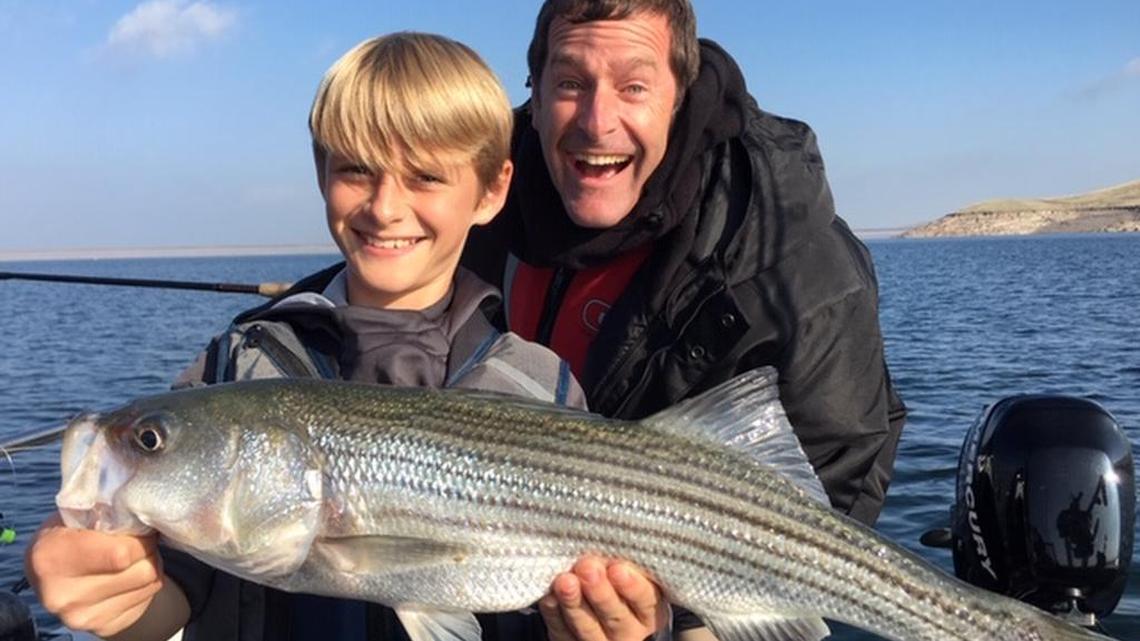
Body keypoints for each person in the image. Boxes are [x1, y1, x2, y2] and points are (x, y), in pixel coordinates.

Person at [25, 32, 646, 641]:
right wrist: (110, 598)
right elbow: (171, 599)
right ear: (321, 172)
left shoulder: (541, 384)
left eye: (427, 177)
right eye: (356, 169)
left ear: (491, 190)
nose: (385, 207)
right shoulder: (236, 367)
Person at [461, 0, 908, 638]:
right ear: (533, 93)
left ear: (681, 94)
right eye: (569, 83)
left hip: (692, 586)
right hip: (491, 562)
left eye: (634, 86)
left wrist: (682, 624)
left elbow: (835, 479)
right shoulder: (477, 194)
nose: (596, 122)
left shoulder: (798, 269)